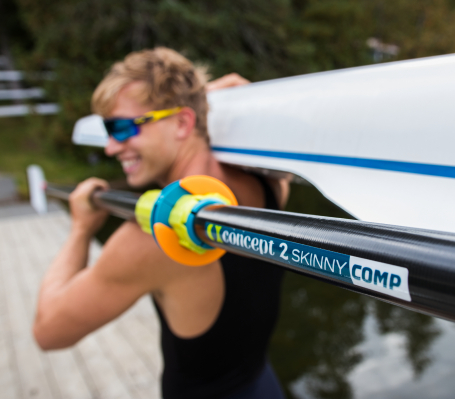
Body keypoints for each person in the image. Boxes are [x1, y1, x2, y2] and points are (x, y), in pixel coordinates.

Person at [33, 47, 288, 399]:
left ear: (183, 123)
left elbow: (48, 331)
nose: (110, 147)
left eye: (121, 128)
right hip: (263, 385)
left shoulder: (151, 238)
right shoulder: (267, 183)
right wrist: (204, 100)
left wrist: (81, 229)